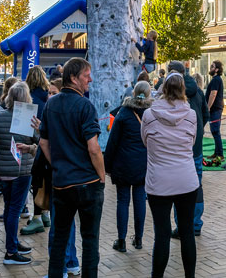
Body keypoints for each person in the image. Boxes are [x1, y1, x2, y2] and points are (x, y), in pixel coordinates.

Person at [40, 58, 106, 278]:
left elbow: (43, 142)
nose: (90, 80)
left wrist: (58, 165)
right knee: (90, 240)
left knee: (59, 239)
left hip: (62, 183)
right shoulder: (85, 106)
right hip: (87, 183)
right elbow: (94, 148)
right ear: (73, 78)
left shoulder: (51, 104)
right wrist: (102, 176)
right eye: (86, 76)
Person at [141, 73, 199, 278]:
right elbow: (192, 141)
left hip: (159, 181)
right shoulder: (191, 115)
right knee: (187, 232)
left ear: (163, 89)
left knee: (162, 234)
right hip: (186, 180)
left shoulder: (149, 114)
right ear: (183, 89)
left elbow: (145, 141)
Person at [0, 82, 39, 265]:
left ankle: (13, 244)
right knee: (15, 211)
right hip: (22, 170)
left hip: (4, 170)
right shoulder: (28, 118)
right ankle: (11, 252)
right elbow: (39, 141)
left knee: (9, 208)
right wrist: (38, 130)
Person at [104, 81, 152, 253]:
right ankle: (138, 239)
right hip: (142, 164)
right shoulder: (150, 113)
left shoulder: (123, 112)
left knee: (122, 201)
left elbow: (113, 141)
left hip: (123, 164)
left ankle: (121, 240)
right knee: (140, 200)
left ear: (133, 93)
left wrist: (107, 166)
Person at [167, 60, 208, 237]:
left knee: (179, 186)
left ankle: (182, 225)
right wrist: (197, 132)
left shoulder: (172, 93)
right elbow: (205, 114)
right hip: (196, 147)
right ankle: (196, 224)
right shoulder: (198, 91)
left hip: (178, 148)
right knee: (196, 185)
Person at [23, 66, 51, 235]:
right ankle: (45, 214)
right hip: (48, 144)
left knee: (37, 180)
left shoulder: (28, 100)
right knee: (45, 180)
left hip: (35, 144)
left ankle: (37, 218)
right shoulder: (47, 98)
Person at [205, 61, 225, 163]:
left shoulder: (216, 80)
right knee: (214, 131)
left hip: (215, 109)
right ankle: (216, 152)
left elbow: (213, 94)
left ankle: (220, 154)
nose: (210, 68)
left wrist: (208, 107)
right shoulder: (215, 79)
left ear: (217, 69)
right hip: (215, 109)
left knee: (215, 131)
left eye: (212, 66)